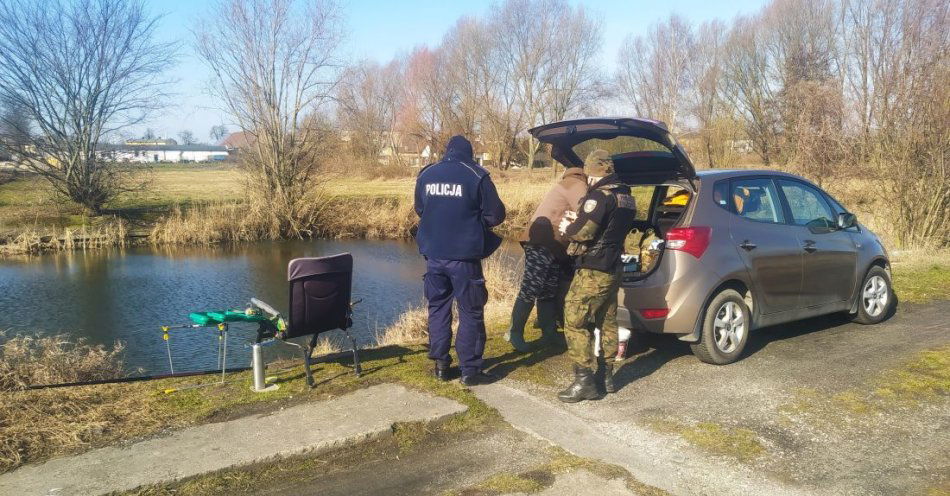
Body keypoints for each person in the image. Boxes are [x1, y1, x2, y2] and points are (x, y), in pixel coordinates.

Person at [414, 135, 506, 386]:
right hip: (464, 257)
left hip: (433, 254)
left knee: (438, 308)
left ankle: (441, 365)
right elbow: (496, 215)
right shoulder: (477, 175)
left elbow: (420, 209)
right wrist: (474, 223)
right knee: (471, 311)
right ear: (470, 152)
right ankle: (470, 370)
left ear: (447, 151)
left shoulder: (426, 174)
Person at [556, 152, 636, 403]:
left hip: (593, 268)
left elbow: (585, 232)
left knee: (574, 320)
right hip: (613, 266)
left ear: (592, 174)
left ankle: (584, 382)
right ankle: (606, 377)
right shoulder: (626, 197)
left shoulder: (599, 196)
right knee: (607, 319)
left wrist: (567, 228)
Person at [506, 158, 589, 351]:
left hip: (551, 244)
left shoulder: (567, 181)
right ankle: (514, 332)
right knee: (532, 286)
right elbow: (585, 213)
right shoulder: (577, 184)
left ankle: (548, 332)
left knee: (548, 289)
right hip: (542, 241)